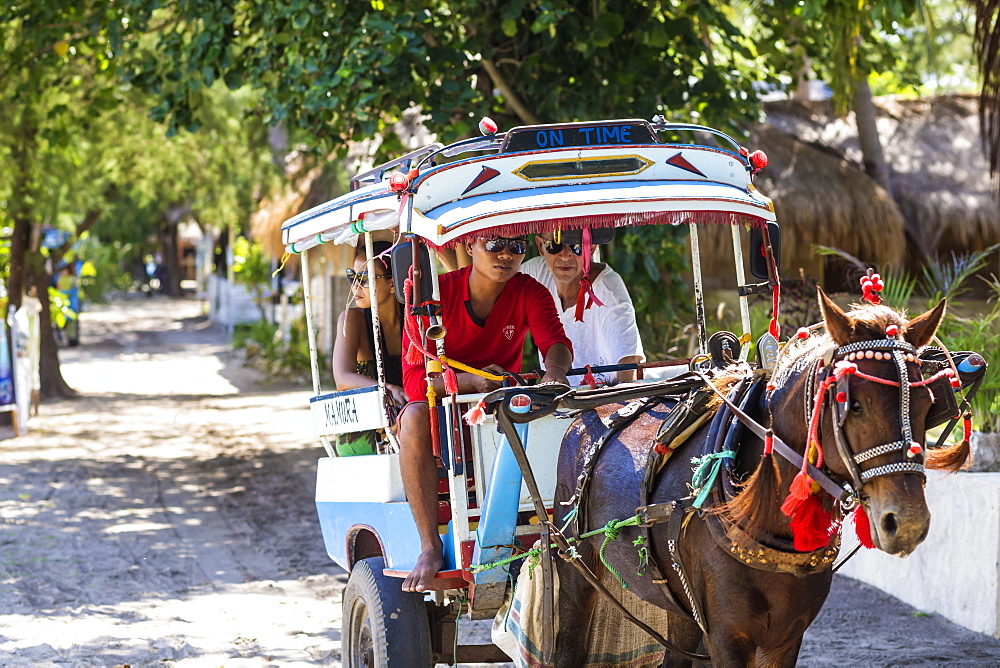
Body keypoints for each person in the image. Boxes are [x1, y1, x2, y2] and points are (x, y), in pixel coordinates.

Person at [397, 235, 572, 592]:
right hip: (442, 413)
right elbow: (415, 380)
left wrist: (555, 371)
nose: (506, 255)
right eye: (494, 245)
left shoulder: (530, 291)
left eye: (517, 247)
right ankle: (430, 547)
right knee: (414, 417)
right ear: (471, 246)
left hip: (502, 408)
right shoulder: (432, 298)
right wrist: (470, 381)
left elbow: (555, 342)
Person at [520, 230, 644, 384]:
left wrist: (622, 404)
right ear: (540, 245)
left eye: (576, 246)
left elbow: (629, 364)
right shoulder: (534, 274)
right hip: (560, 398)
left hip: (605, 398)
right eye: (554, 245)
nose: (565, 256)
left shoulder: (608, 290)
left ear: (590, 248)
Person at [332, 241, 407, 454]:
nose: (355, 286)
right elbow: (342, 378)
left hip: (409, 425)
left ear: (393, 284)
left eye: (364, 279)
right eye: (352, 276)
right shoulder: (351, 319)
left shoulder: (414, 319)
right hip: (364, 433)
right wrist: (388, 388)